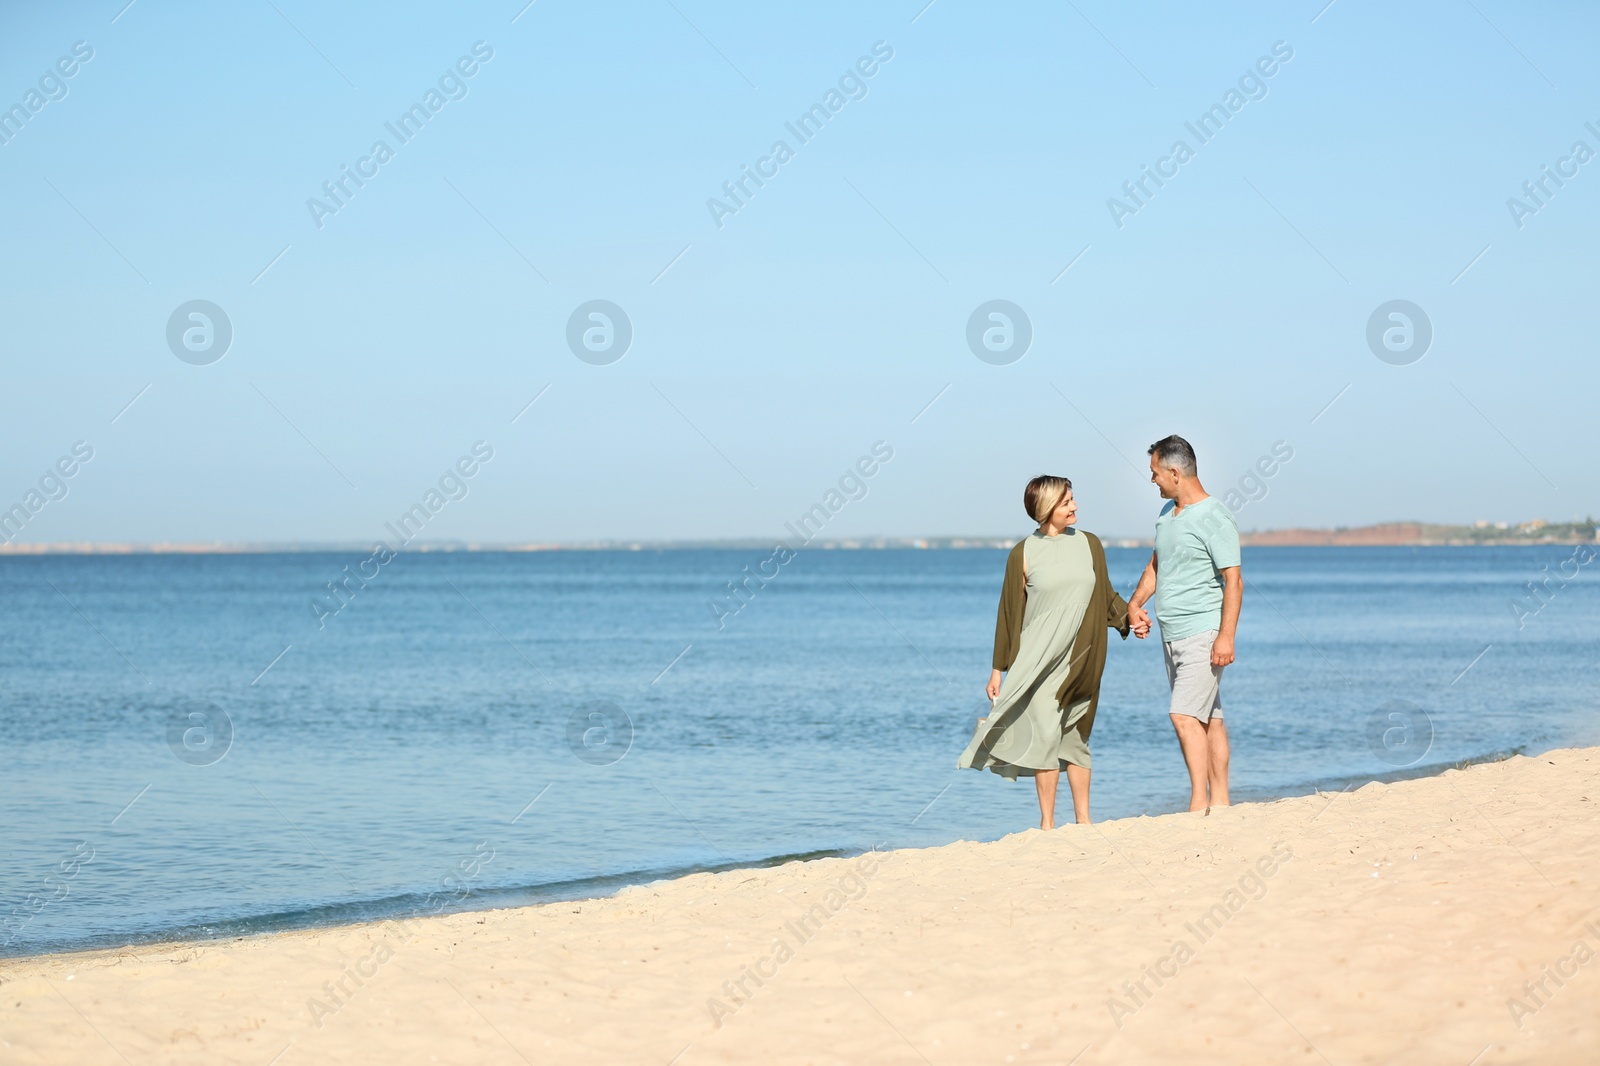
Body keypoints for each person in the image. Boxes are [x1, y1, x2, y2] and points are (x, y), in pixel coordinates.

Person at [958, 475, 1146, 828]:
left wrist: (1129, 618)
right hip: (1038, 660)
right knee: (1044, 734)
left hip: (1082, 655)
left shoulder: (1090, 544)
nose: (1075, 506)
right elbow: (1009, 612)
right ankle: (1047, 824)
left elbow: (1104, 595)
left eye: (1073, 499)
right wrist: (998, 669)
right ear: (1046, 509)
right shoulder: (1023, 554)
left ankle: (1084, 821)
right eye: (1066, 502)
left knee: (1075, 738)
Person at [1125, 435, 1242, 814]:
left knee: (1183, 715)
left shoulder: (1215, 516)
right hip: (1171, 634)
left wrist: (1225, 637)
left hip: (1203, 632)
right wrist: (1135, 605)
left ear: (1174, 472)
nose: (1153, 480)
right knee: (1209, 717)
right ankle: (1221, 803)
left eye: (1155, 473)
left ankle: (1199, 802)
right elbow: (1157, 566)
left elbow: (1233, 580)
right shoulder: (1167, 515)